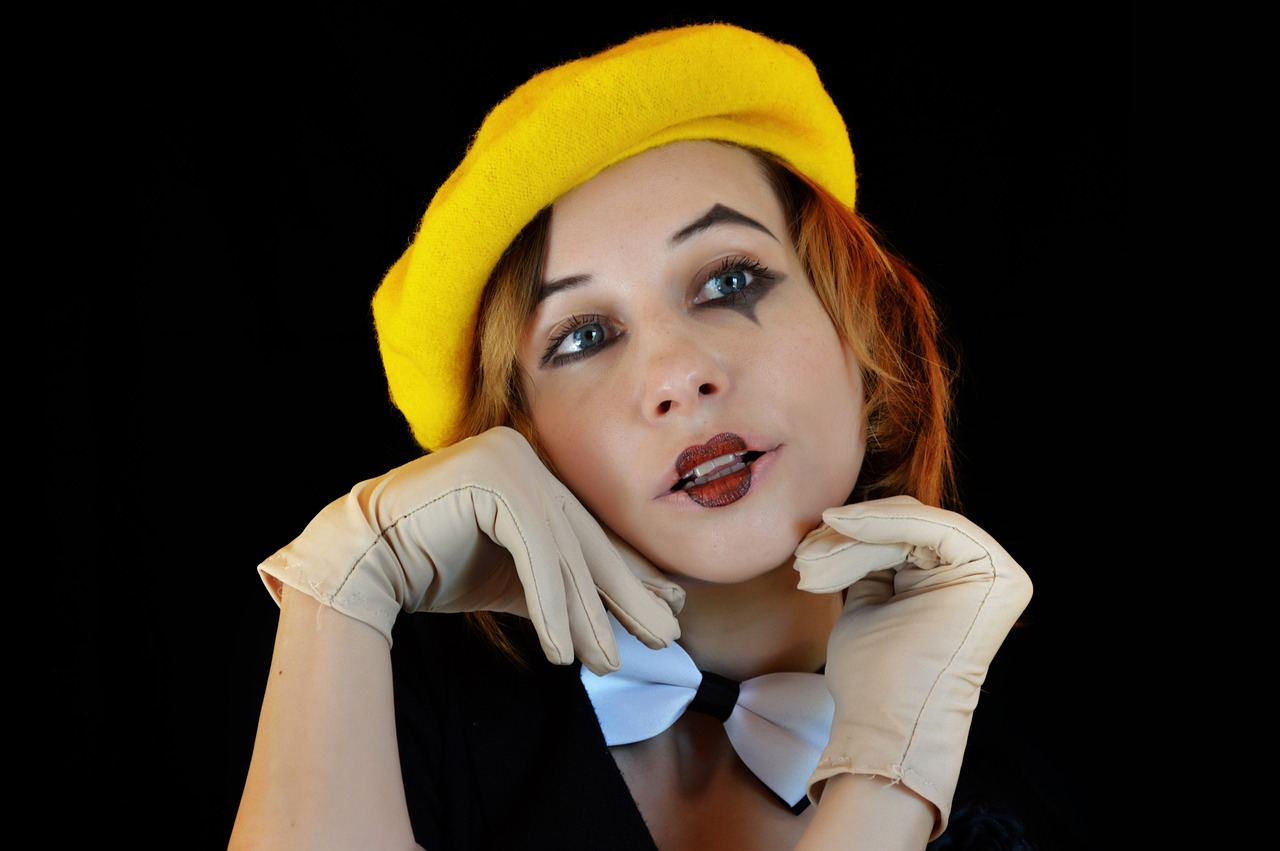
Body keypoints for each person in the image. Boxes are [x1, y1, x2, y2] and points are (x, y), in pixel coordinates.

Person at [227, 22, 1033, 851]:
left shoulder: (1030, 778)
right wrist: (343, 576)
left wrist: (893, 770)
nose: (678, 374)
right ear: (519, 440)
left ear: (861, 325)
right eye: (582, 336)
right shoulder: (389, 714)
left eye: (729, 279)